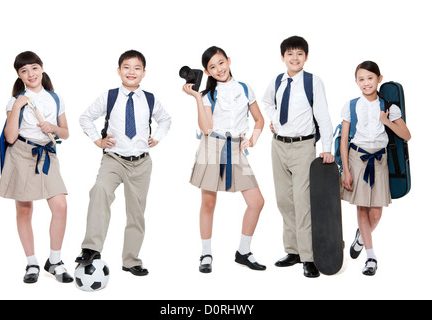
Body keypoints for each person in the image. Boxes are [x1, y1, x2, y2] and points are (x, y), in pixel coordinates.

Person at [76, 49, 171, 276]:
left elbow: (166, 119)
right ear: (118, 71)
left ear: (144, 73)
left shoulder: (149, 99)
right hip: (114, 159)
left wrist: (156, 137)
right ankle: (91, 248)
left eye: (137, 68)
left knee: (136, 212)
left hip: (141, 163)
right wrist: (97, 140)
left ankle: (131, 260)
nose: (131, 72)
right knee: (100, 190)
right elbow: (85, 117)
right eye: (126, 67)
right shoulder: (109, 96)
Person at [182, 46, 266, 273]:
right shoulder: (209, 94)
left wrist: (253, 139)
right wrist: (197, 98)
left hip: (236, 148)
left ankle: (243, 252)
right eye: (212, 67)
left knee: (256, 202)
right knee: (208, 202)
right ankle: (206, 253)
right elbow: (207, 128)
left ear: (228, 60)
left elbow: (259, 120)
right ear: (206, 72)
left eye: (221, 62)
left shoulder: (245, 88)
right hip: (212, 147)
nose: (219, 69)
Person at [261, 36, 334, 278]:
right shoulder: (277, 81)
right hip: (278, 146)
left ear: (306, 57)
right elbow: (266, 102)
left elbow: (323, 116)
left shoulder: (313, 82)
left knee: (303, 203)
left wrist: (327, 148)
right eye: (290, 54)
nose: (295, 58)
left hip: (303, 148)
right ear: (282, 57)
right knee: (284, 200)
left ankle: (309, 256)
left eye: (299, 54)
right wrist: (275, 121)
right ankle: (292, 251)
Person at [0, 51, 72, 284]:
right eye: (24, 71)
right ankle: (31, 263)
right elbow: (10, 137)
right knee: (24, 210)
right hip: (20, 154)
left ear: (41, 68)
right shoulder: (15, 100)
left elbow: (65, 133)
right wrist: (18, 106)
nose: (30, 74)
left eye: (34, 68)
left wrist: (52, 127)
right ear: (19, 76)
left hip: (46, 154)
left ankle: (55, 261)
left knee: (60, 206)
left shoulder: (55, 98)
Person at [341, 61, 411, 276]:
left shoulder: (390, 106)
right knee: (362, 208)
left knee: (377, 212)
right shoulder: (351, 105)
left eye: (370, 78)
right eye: (361, 79)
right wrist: (346, 170)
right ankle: (371, 257)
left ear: (379, 79)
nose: (366, 83)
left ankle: (361, 236)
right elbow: (344, 140)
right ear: (356, 82)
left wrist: (387, 121)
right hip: (357, 158)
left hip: (380, 160)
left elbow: (407, 135)